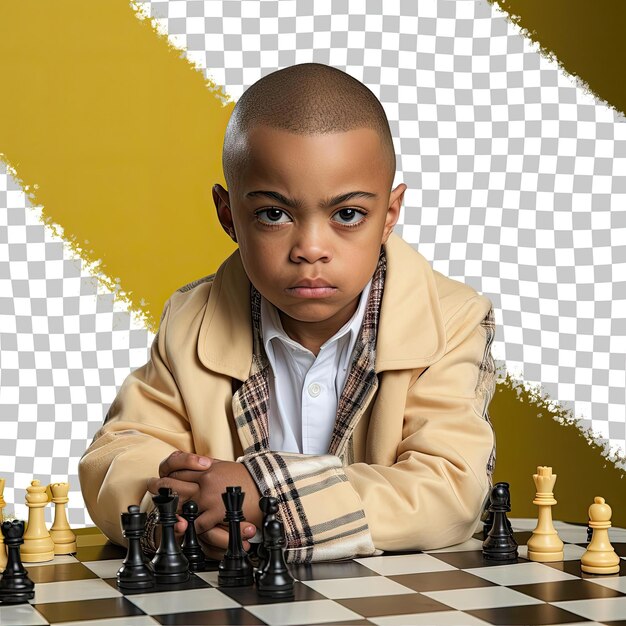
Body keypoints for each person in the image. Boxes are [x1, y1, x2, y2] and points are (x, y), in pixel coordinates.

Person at [78, 62, 497, 564]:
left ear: (388, 215)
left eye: (347, 214)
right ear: (229, 215)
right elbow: (119, 454)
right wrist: (181, 508)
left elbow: (449, 491)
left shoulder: (451, 320)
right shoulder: (192, 319)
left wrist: (261, 491)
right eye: (274, 213)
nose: (311, 248)